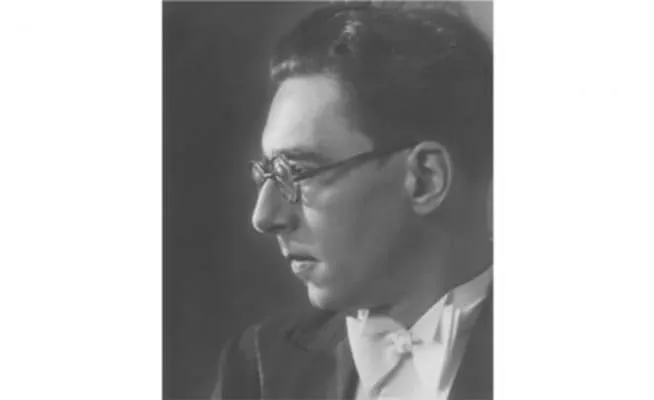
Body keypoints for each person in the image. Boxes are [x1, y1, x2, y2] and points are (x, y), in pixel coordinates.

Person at [212, 2, 493, 399]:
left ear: (425, 179)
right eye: (268, 174)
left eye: (298, 172)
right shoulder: (259, 365)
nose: (264, 216)